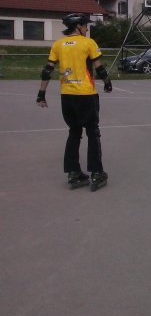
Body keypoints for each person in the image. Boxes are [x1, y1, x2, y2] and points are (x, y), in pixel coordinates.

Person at [36, 13, 112, 191]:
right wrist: (107, 83)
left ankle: (73, 172)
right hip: (86, 94)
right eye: (85, 26)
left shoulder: (58, 44)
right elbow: (99, 67)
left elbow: (47, 70)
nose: (86, 29)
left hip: (67, 95)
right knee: (93, 132)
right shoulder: (88, 43)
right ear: (78, 26)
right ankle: (97, 173)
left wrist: (41, 94)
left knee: (74, 132)